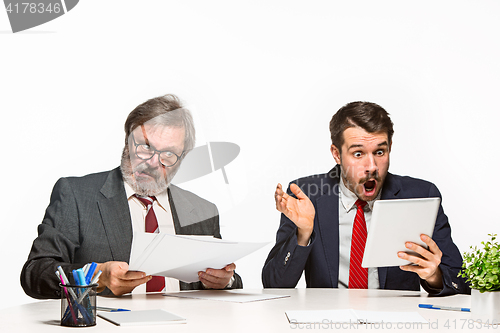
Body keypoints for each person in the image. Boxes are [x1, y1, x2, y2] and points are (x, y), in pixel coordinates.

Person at [21, 94, 242, 299]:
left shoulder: (203, 212)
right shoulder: (76, 195)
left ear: (182, 157)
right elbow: (35, 273)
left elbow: (229, 281)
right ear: (127, 140)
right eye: (145, 147)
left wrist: (224, 280)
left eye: (168, 154)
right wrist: (96, 276)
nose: (153, 163)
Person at [262, 101, 469, 296]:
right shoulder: (306, 195)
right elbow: (273, 285)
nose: (371, 166)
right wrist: (303, 234)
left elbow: (462, 283)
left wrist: (434, 275)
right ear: (336, 154)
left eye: (380, 152)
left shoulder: (421, 195)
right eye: (358, 154)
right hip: (328, 321)